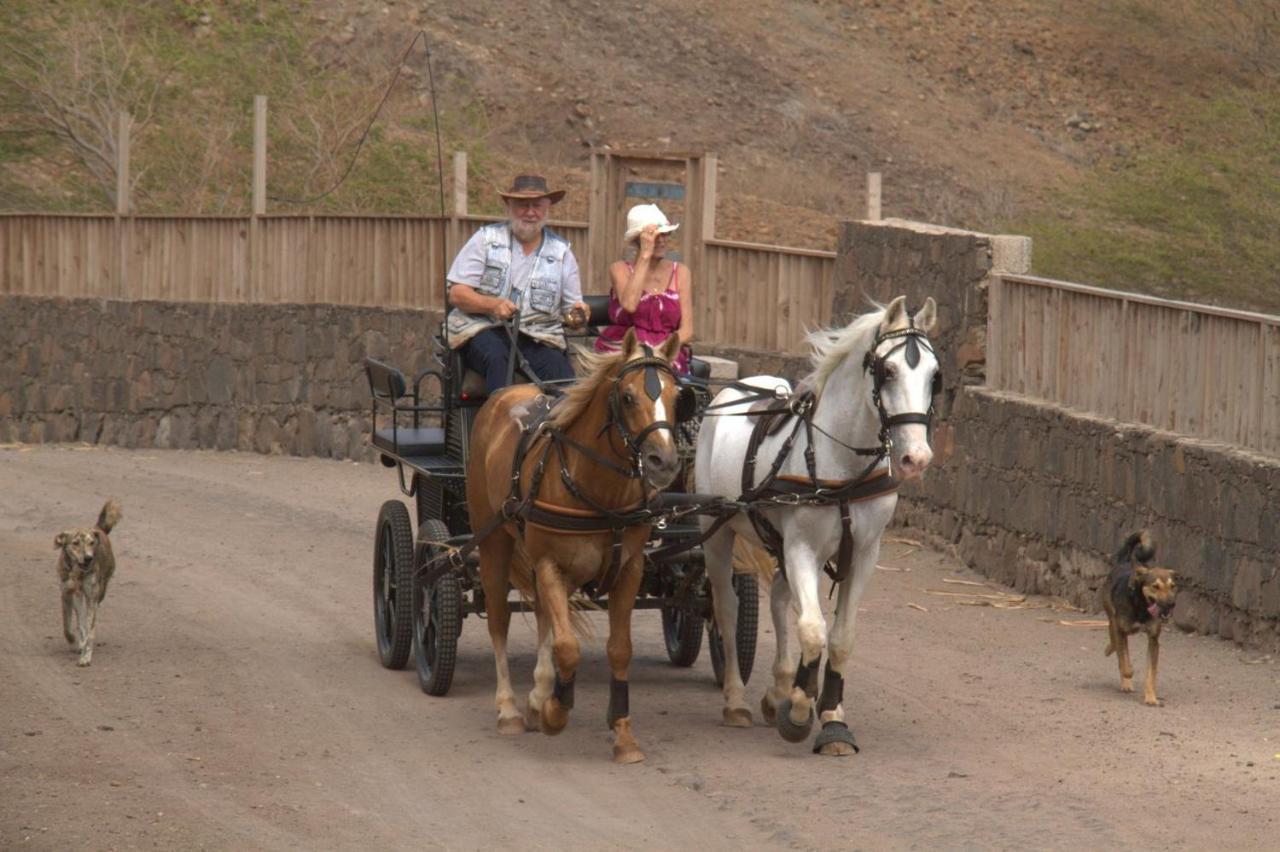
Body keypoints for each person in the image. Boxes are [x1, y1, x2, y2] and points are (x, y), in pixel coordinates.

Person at [445, 174, 590, 394]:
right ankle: (498, 423)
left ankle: (554, 427)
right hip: (482, 329)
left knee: (564, 377)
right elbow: (457, 294)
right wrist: (492, 305)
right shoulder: (485, 239)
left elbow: (574, 306)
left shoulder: (562, 253)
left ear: (547, 207)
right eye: (523, 205)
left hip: (538, 336)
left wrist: (580, 313)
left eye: (537, 205)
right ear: (509, 205)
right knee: (497, 357)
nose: (531, 212)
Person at [594, 203, 693, 374]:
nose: (661, 240)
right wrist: (645, 256)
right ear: (637, 240)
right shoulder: (619, 269)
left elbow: (687, 330)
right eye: (654, 236)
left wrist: (661, 351)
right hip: (627, 348)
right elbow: (630, 305)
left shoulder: (681, 272)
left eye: (665, 234)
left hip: (665, 352)